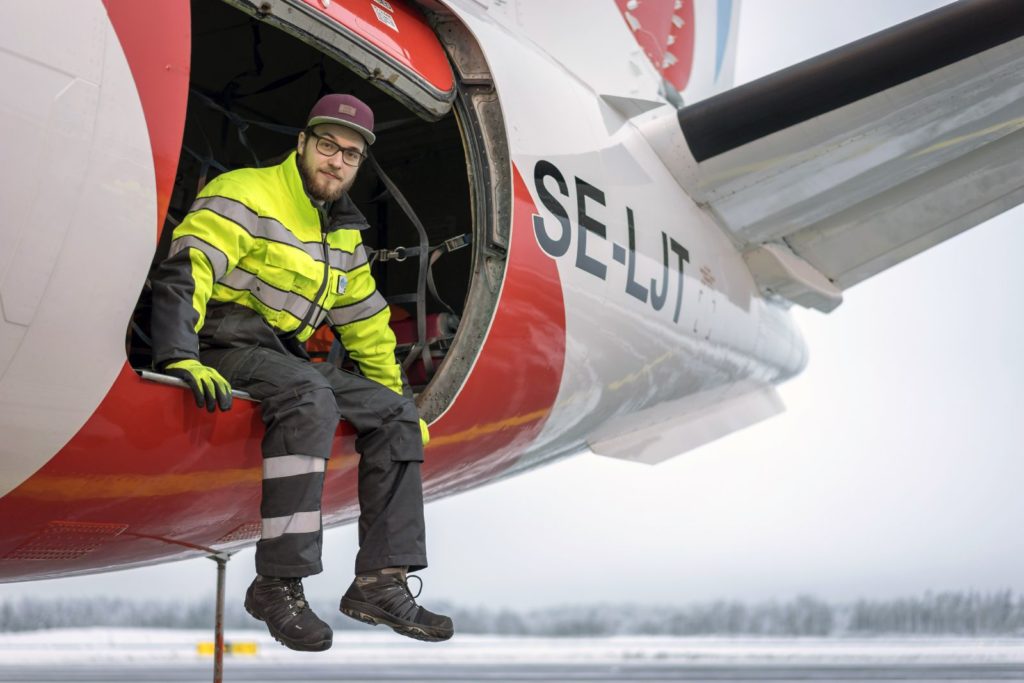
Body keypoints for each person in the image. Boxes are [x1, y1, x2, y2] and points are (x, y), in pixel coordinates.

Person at [149, 94, 454, 651]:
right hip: (219, 338)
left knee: (394, 413)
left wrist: (400, 402)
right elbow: (187, 266)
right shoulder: (246, 192)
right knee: (309, 393)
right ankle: (278, 583)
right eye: (327, 146)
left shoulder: (343, 239)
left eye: (351, 155)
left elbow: (366, 327)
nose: (336, 161)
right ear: (302, 144)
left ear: (359, 165)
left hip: (276, 352)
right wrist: (179, 352)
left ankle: (380, 582)